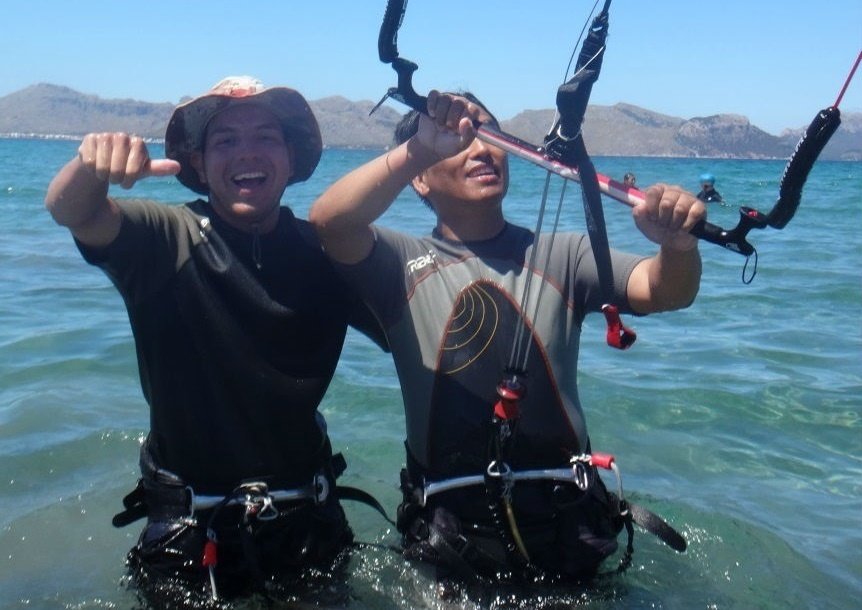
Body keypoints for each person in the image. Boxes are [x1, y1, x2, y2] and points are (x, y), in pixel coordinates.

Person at [309, 91, 705, 588]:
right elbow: (330, 221)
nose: (481, 150)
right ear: (420, 177)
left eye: (490, 135)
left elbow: (666, 290)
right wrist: (422, 146)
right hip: (450, 539)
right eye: (459, 142)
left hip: (571, 527)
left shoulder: (566, 253)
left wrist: (677, 245)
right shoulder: (395, 265)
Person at [45, 76, 386, 604]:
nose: (246, 152)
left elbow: (409, 332)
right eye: (225, 140)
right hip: (188, 533)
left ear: (291, 158)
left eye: (266, 137)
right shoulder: (164, 239)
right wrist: (90, 167)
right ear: (199, 164)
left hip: (309, 524)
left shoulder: (325, 253)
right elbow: (74, 211)